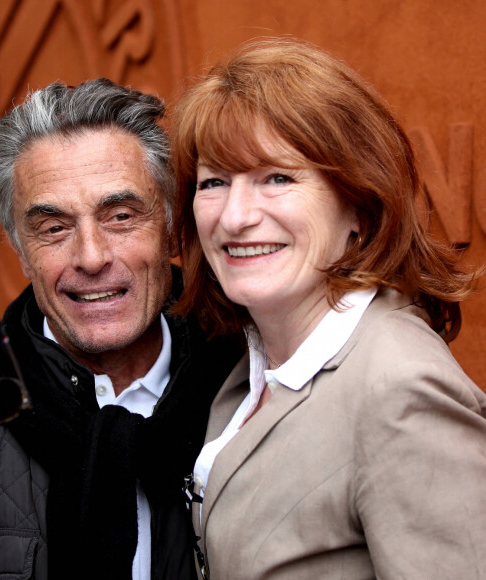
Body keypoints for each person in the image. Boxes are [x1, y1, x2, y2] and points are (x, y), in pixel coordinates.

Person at [171, 37, 486, 579]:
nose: (236, 216)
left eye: (278, 177)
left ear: (358, 206)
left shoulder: (399, 388)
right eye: (215, 182)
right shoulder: (244, 368)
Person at [0, 79, 240, 579]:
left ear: (172, 226)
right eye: (54, 228)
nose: (91, 257)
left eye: (121, 216)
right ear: (20, 250)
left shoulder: (256, 394)